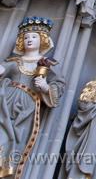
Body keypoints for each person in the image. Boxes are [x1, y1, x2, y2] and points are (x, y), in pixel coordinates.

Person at [0, 17, 65, 178]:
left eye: (34, 36)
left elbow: (59, 84)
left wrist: (45, 87)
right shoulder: (14, 61)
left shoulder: (48, 64)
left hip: (27, 108)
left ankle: (8, 171)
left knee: (17, 139)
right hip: (5, 104)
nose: (29, 40)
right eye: (26, 37)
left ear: (42, 40)